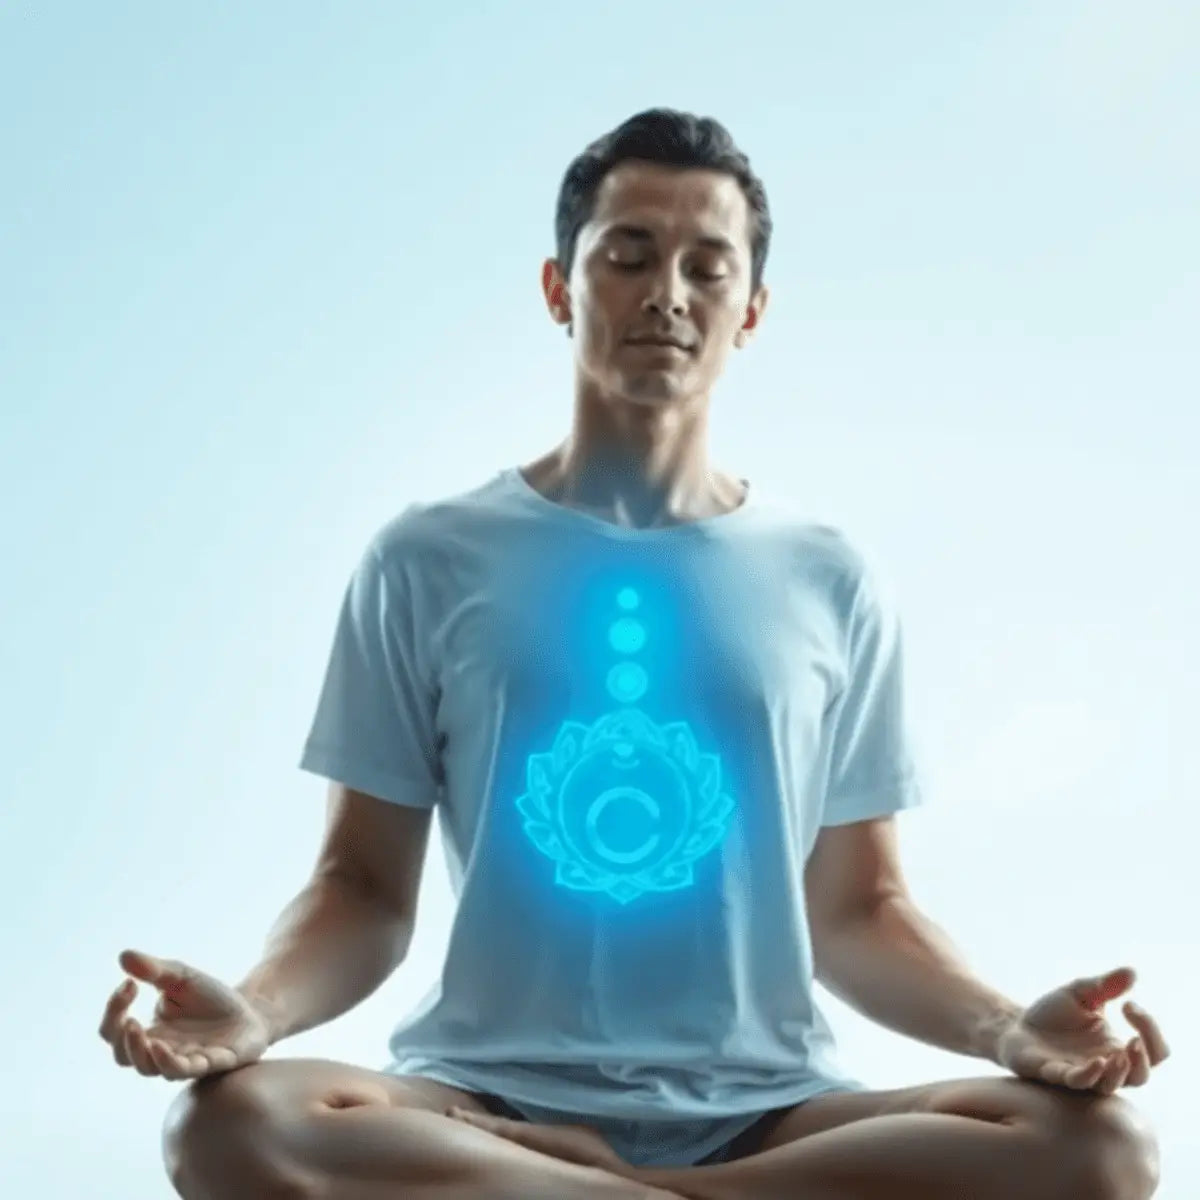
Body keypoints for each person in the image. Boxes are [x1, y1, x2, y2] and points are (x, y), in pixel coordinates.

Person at [100, 108, 1168, 1200]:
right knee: (231, 1125)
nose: (668, 291)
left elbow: (860, 912)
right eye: (629, 254)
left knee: (1106, 1153)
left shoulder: (828, 575)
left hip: (770, 1114)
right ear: (560, 288)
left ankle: (605, 1193)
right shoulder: (426, 557)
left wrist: (1005, 1031)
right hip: (481, 1104)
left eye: (710, 267)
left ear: (750, 312)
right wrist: (260, 1008)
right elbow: (362, 886)